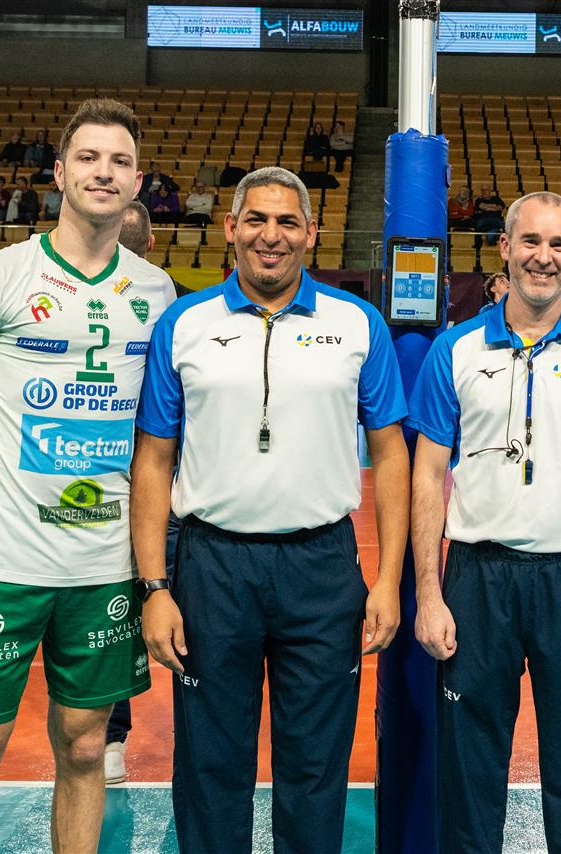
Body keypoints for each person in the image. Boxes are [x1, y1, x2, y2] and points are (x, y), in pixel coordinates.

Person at [0, 98, 176, 854]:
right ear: (58, 173)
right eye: (88, 158)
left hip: (104, 567)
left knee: (85, 747)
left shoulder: (158, 294)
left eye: (119, 161)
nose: (103, 172)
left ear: (137, 181)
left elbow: (159, 441)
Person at [133, 166, 410, 852]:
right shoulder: (184, 323)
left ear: (311, 233)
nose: (271, 236)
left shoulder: (357, 323)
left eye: (288, 222)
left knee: (316, 765)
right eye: (256, 219)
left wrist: (387, 579)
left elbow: (392, 456)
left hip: (322, 568)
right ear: (231, 227)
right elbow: (153, 462)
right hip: (211, 567)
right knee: (210, 763)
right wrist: (154, 587)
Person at [409, 191, 561, 853]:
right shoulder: (454, 350)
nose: (542, 257)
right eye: (530, 241)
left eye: (557, 244)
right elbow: (427, 476)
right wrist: (428, 593)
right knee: (469, 767)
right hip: (477, 579)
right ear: (505, 248)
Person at [103, 199, 158, 787]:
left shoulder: (164, 302)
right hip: (131, 491)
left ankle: (110, 739)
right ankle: (111, 737)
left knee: (118, 617)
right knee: (119, 619)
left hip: (155, 489)